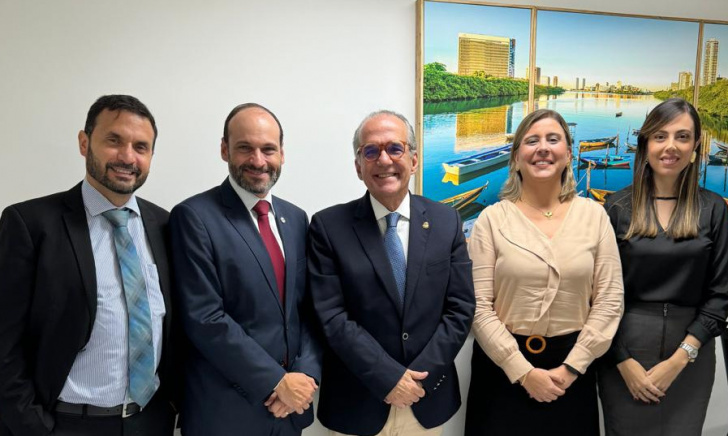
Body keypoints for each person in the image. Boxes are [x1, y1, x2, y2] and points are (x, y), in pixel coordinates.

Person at [0, 95, 177, 436]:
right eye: (114, 140)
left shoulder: (166, 225)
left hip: (149, 421)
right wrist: (32, 426)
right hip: (66, 424)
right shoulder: (31, 225)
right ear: (84, 143)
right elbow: (4, 342)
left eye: (141, 147)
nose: (128, 157)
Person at [308, 110, 475, 436]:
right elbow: (330, 316)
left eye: (395, 148)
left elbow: (461, 308)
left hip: (425, 399)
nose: (384, 159)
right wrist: (387, 378)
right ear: (358, 166)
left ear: (413, 160)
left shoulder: (446, 221)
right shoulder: (328, 227)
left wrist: (417, 377)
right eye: (371, 151)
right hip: (356, 402)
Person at [465, 108, 624, 435]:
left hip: (572, 371)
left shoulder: (594, 217)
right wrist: (523, 372)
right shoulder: (492, 220)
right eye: (531, 141)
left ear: (568, 154)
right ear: (516, 157)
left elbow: (609, 301)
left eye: (553, 139)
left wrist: (572, 367)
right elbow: (478, 306)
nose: (543, 148)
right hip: (502, 371)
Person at [170, 103, 321, 436]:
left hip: (290, 411)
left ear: (282, 153)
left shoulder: (296, 218)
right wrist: (276, 382)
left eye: (268, 149)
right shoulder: (194, 217)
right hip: (226, 414)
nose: (258, 160)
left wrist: (306, 375)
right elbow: (204, 318)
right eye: (244, 148)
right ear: (224, 150)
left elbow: (308, 309)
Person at [598, 98, 728, 436]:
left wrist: (680, 359)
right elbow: (597, 294)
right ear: (646, 144)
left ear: (696, 146)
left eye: (682, 137)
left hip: (691, 354)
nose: (671, 146)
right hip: (623, 353)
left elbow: (721, 294)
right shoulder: (616, 207)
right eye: (660, 136)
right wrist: (622, 360)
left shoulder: (714, 209)